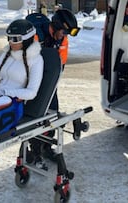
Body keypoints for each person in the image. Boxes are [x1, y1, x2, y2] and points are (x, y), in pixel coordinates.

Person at [27, 9, 79, 168]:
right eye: (63, 32)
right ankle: (34, 150)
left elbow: (60, 64)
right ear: (55, 26)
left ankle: (47, 147)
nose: (64, 36)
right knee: (34, 116)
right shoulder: (36, 36)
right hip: (31, 82)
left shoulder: (62, 39)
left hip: (49, 81)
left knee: (53, 112)